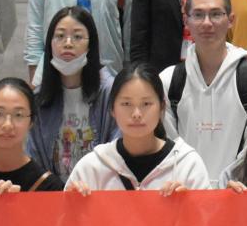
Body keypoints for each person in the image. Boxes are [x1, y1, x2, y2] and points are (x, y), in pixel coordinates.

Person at [160, 0, 247, 180]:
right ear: (186, 20)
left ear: (230, 20)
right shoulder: (168, 80)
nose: (207, 23)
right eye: (198, 15)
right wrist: (194, 185)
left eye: (215, 14)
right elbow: (169, 146)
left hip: (238, 189)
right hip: (186, 189)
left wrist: (227, 184)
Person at [65, 67, 212, 193]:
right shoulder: (92, 168)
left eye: (146, 103)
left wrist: (190, 204)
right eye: (126, 103)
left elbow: (208, 217)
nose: (136, 114)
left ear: (162, 107)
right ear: (112, 109)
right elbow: (64, 217)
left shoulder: (187, 165)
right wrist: (74, 204)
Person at [33, 6, 116, 180]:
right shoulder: (39, 98)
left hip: (100, 188)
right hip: (53, 191)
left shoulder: (110, 92)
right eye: (60, 36)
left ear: (90, 45)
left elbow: (118, 151)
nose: (68, 43)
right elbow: (33, 159)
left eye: (77, 37)